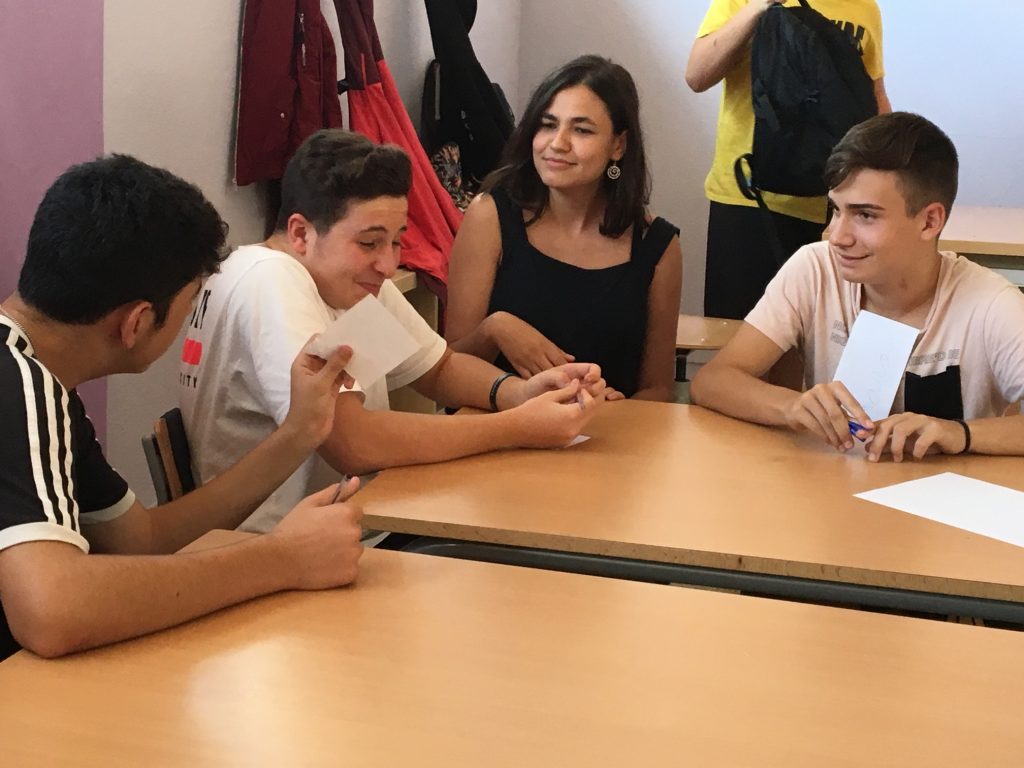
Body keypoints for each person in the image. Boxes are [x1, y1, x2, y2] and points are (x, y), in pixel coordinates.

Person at [0, 155, 366, 660]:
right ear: (136, 322)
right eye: (191, 302)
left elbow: (140, 540)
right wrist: (283, 559)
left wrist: (298, 433)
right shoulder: (20, 382)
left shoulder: (41, 380)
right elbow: (53, 610)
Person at [180, 129, 606, 533]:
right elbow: (352, 442)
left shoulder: (346, 280)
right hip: (273, 548)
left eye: (397, 241)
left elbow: (438, 370)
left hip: (356, 524)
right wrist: (517, 427)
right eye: (369, 243)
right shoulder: (270, 279)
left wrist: (521, 393)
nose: (388, 264)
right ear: (301, 233)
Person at [691, 112, 1024, 461]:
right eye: (836, 210)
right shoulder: (815, 269)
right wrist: (792, 406)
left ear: (930, 221)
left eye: (865, 215)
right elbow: (713, 379)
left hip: (951, 491)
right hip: (832, 486)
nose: (837, 236)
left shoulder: (990, 304)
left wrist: (960, 433)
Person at [445, 55, 682, 402]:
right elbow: (447, 372)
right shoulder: (489, 216)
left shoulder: (657, 246)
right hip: (497, 427)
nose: (558, 143)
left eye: (582, 130)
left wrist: (619, 410)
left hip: (607, 432)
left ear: (618, 145)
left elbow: (658, 388)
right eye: (547, 124)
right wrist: (494, 330)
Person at [686, 0, 891, 320]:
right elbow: (697, 76)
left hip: (832, 205)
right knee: (733, 329)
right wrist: (760, 6)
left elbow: (873, 95)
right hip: (747, 197)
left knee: (814, 334)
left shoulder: (864, 8)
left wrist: (891, 176)